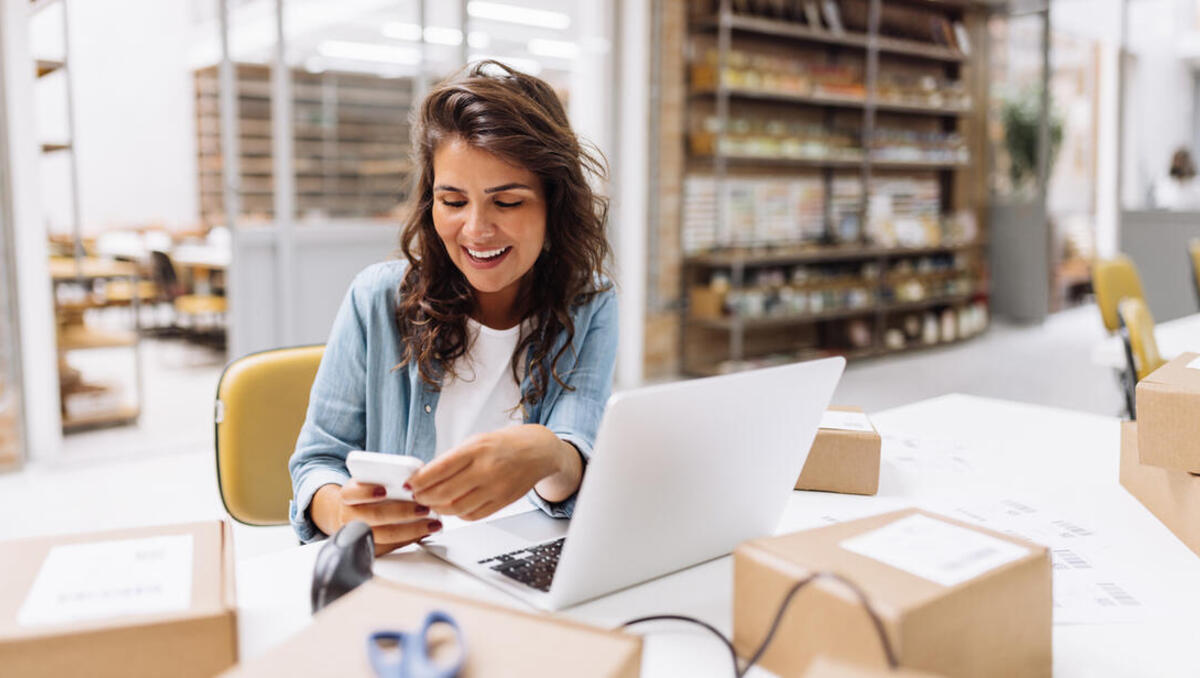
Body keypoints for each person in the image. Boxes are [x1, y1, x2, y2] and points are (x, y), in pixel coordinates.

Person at [288, 61, 617, 555]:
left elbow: (574, 456)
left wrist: (550, 454)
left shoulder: (589, 302)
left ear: (555, 203)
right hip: (407, 565)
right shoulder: (377, 299)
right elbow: (317, 461)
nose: (477, 230)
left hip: (525, 559)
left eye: (507, 202)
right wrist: (343, 513)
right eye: (453, 201)